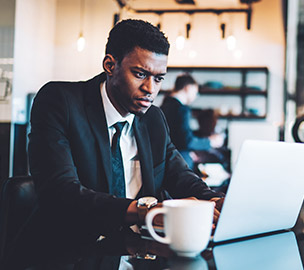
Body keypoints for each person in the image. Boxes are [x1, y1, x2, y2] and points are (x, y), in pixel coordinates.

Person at [27, 19, 223, 239]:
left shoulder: (153, 119)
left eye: (158, 79)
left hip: (139, 252)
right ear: (110, 65)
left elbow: (179, 175)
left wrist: (215, 200)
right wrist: (146, 212)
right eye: (140, 74)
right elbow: (59, 192)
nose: (150, 89)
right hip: (73, 251)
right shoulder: (60, 102)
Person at [160, 74, 224, 169]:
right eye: (195, 92)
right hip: (178, 163)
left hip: (164, 160)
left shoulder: (163, 106)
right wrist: (211, 142)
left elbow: (176, 138)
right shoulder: (181, 109)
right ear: (188, 88)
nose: (195, 96)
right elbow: (186, 140)